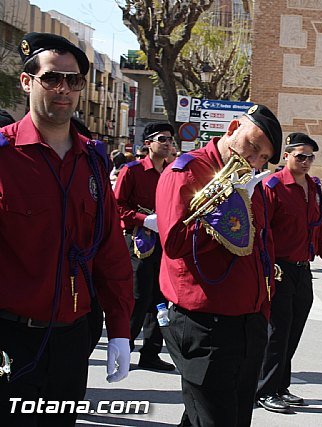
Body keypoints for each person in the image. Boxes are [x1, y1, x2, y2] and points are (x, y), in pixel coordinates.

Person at [0, 32, 133, 425]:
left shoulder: (92, 158)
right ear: (27, 81)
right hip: (10, 339)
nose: (64, 89)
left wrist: (121, 329)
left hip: (73, 338)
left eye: (73, 80)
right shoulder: (4, 155)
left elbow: (109, 249)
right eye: (52, 78)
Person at [155, 104, 282, 427]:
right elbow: (175, 243)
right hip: (206, 324)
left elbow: (262, 248)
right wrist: (225, 204)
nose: (255, 161)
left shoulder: (250, 181)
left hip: (247, 321)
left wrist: (263, 309)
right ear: (233, 128)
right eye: (253, 147)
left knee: (230, 417)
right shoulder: (186, 170)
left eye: (263, 158)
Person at [256, 132, 322, 413]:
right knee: (277, 331)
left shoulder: (312, 186)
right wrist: (267, 264)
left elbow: (318, 225)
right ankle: (264, 389)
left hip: (302, 269)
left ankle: (280, 385)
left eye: (311, 157)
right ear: (286, 155)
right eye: (301, 156)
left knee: (293, 330)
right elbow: (263, 229)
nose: (306, 161)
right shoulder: (272, 185)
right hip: (279, 268)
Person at [114, 122, 176, 372]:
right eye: (162, 138)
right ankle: (123, 352)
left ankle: (151, 352)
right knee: (138, 297)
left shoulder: (172, 172)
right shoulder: (132, 171)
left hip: (165, 241)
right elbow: (117, 207)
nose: (168, 143)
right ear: (148, 143)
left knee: (160, 300)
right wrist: (144, 219)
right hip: (139, 239)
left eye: (170, 139)